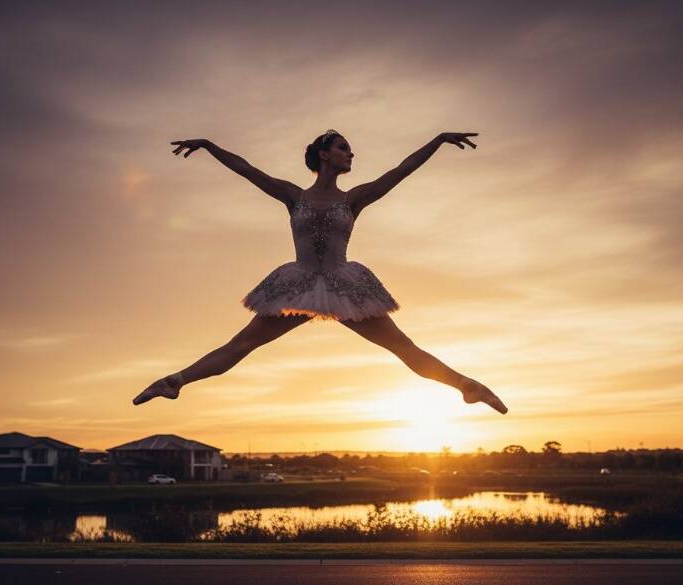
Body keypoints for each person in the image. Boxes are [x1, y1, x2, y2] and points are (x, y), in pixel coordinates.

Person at [132, 130, 507, 415]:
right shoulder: (293, 195)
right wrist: (210, 146)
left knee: (401, 347)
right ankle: (174, 381)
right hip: (298, 285)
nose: (351, 153)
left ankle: (466, 385)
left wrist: (437, 141)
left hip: (345, 286)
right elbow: (247, 170)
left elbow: (401, 171)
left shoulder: (354, 198)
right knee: (241, 345)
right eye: (344, 147)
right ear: (324, 155)